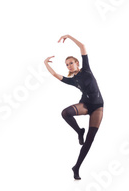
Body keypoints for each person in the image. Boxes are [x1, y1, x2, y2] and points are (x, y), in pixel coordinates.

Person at [43, 35, 103, 180]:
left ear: (77, 63)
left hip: (98, 107)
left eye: (71, 63)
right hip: (85, 104)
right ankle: (79, 131)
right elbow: (55, 75)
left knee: (90, 140)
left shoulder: (86, 70)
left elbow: (82, 46)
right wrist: (45, 63)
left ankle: (76, 167)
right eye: (67, 64)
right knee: (65, 113)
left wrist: (68, 36)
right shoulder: (72, 80)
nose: (69, 66)